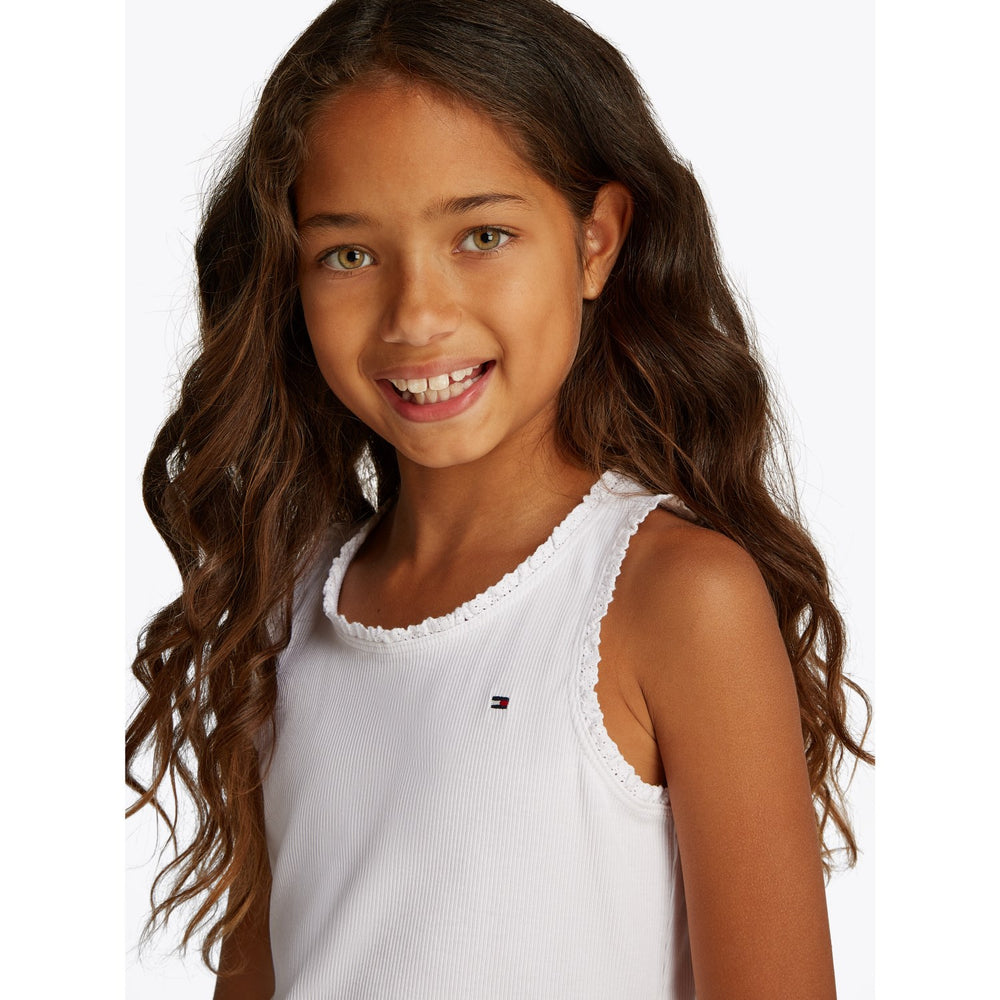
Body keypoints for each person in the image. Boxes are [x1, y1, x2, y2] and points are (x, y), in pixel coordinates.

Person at [126, 0, 873, 996]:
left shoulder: (675, 598)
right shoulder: (284, 606)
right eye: (348, 254)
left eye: (481, 234)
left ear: (596, 241)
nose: (416, 314)